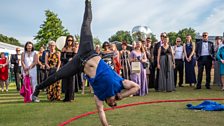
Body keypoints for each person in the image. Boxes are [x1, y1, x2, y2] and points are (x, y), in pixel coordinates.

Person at [33, 1, 139, 125]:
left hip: (79, 64)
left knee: (58, 75)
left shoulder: (99, 96)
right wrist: (122, 96)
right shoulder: (120, 85)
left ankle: (37, 88)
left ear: (108, 103)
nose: (114, 103)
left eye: (112, 104)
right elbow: (136, 87)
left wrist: (106, 125)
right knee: (86, 23)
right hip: (88, 50)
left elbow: (100, 111)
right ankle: (88, 2)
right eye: (115, 103)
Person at [61, 35, 76, 102]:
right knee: (66, 81)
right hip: (65, 66)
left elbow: (76, 58)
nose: (70, 41)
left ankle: (71, 97)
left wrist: (72, 59)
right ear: (66, 41)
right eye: (68, 40)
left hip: (72, 66)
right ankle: (66, 97)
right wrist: (67, 59)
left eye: (71, 40)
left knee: (71, 81)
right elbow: (61, 58)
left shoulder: (74, 49)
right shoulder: (64, 49)